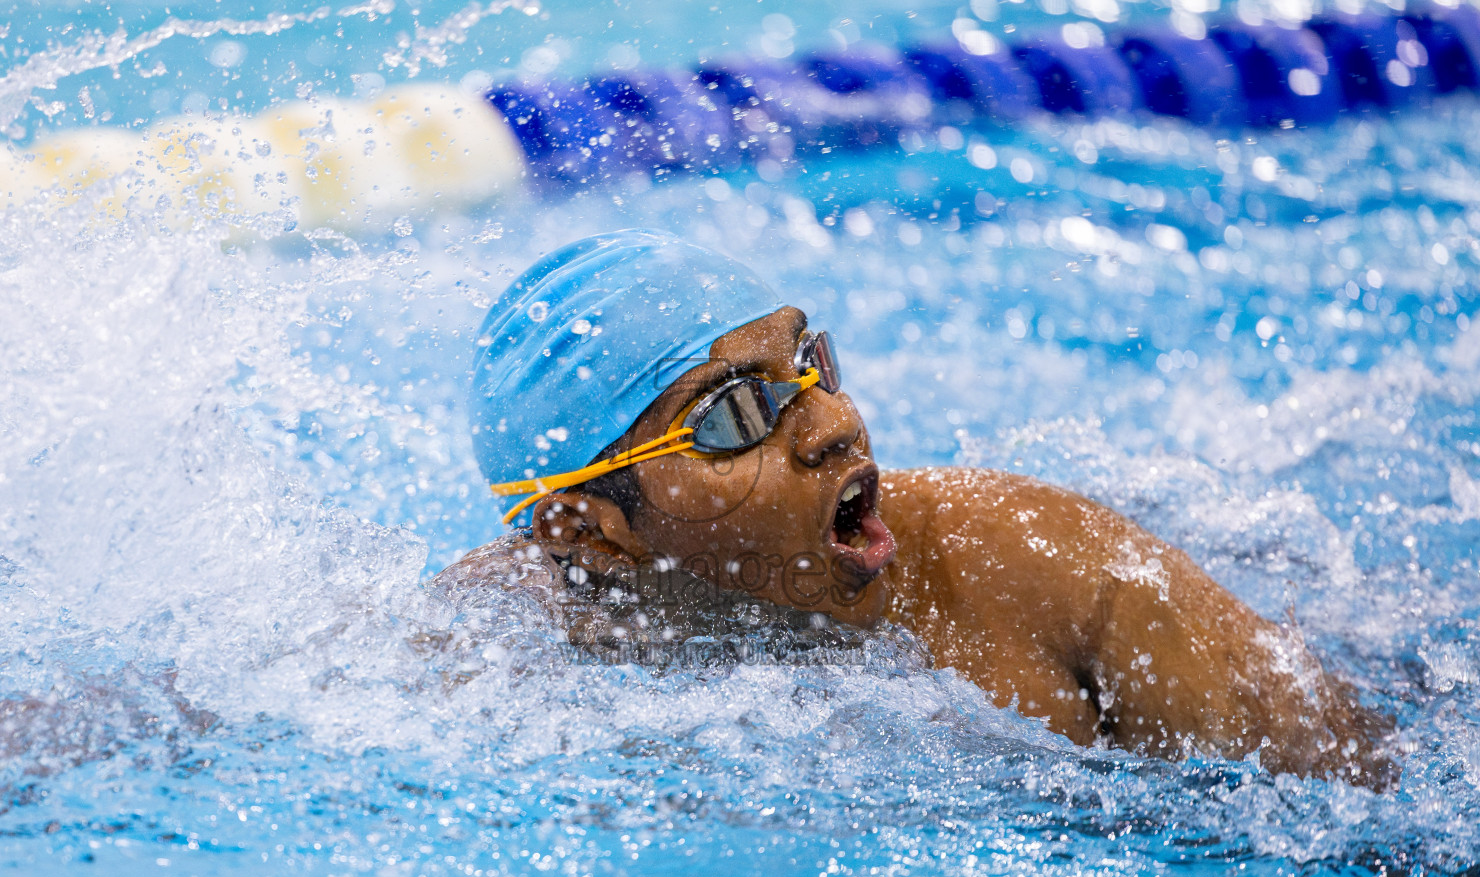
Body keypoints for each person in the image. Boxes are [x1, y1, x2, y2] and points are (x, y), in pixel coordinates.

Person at [438, 229, 1394, 785]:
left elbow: (1370, 812)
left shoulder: (1048, 569)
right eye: (734, 415)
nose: (835, 423)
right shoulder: (488, 658)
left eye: (810, 363)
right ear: (588, 532)